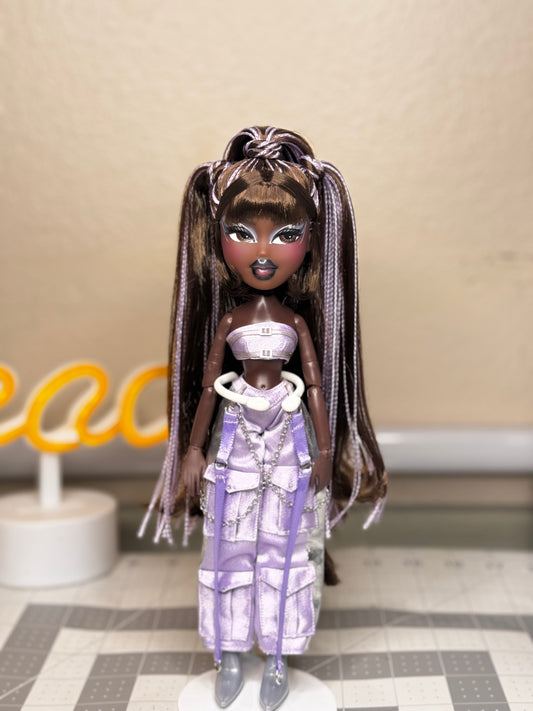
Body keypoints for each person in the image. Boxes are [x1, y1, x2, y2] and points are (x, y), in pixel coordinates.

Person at [139, 126, 387, 710]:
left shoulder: (297, 323)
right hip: (236, 436)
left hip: (289, 434)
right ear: (216, 236)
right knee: (227, 546)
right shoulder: (228, 322)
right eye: (242, 233)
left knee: (285, 546)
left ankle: (277, 655)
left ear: (311, 241)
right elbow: (207, 387)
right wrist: (192, 450)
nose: (263, 252)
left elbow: (317, 386)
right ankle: (229, 653)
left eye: (287, 235)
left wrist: (324, 451)